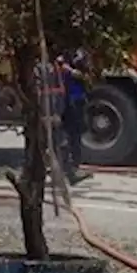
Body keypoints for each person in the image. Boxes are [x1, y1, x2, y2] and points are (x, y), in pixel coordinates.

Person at [58, 49, 94, 184]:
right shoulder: (61, 55)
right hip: (65, 100)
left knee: (74, 136)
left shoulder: (80, 54)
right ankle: (68, 170)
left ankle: (73, 168)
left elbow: (86, 76)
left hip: (76, 99)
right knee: (65, 136)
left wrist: (73, 72)